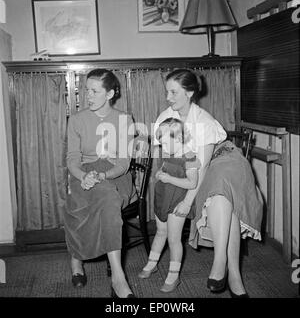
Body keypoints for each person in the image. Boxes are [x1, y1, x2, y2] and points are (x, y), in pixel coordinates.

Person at [152, 69, 263, 298]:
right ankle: (233, 275)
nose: (168, 97)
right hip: (197, 166)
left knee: (220, 184)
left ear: (190, 93)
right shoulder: (166, 116)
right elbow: (168, 156)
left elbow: (201, 167)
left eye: (173, 92)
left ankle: (220, 262)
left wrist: (187, 201)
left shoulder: (203, 121)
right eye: (167, 92)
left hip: (224, 160)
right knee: (222, 201)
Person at [63, 68, 136, 298]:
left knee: (107, 196)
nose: (88, 95)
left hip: (116, 176)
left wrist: (104, 176)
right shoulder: (76, 120)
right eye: (87, 90)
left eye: (94, 91)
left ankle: (116, 276)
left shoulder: (125, 119)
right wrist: (83, 176)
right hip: (83, 174)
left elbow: (124, 163)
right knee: (95, 198)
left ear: (110, 93)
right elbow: (72, 158)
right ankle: (85, 264)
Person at [138, 118, 201, 293]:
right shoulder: (165, 151)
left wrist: (169, 178)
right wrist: (160, 173)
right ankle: (152, 264)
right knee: (160, 232)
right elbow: (164, 169)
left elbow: (192, 183)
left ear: (179, 139)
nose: (163, 147)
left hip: (177, 201)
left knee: (174, 239)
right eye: (161, 142)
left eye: (166, 143)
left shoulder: (189, 156)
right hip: (162, 197)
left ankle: (174, 276)